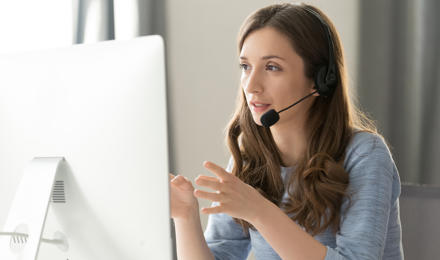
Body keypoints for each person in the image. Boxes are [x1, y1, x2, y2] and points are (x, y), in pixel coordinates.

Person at [169, 3, 403, 260]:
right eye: (245, 67)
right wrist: (185, 216)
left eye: (272, 67)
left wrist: (260, 211)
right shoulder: (250, 159)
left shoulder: (365, 155)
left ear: (320, 80)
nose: (251, 85)